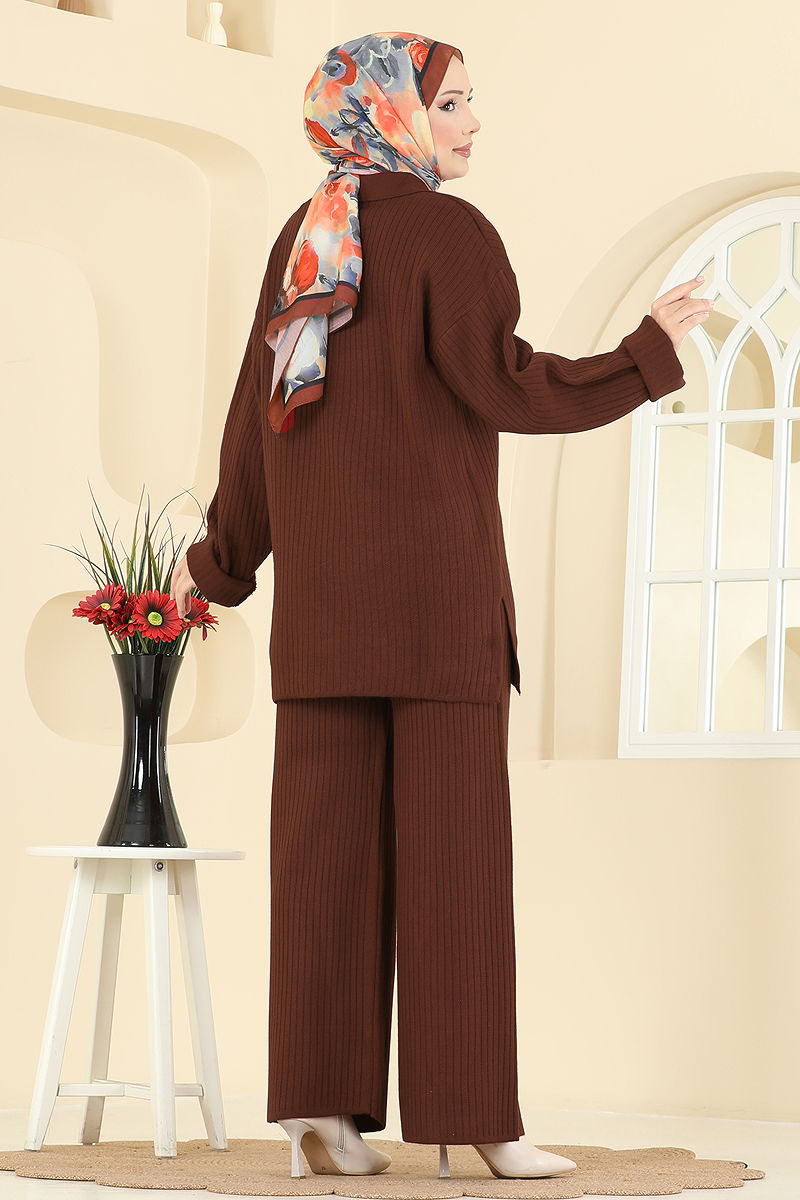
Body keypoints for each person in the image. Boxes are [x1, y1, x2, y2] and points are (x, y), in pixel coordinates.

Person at [170, 31, 711, 1182]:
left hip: (324, 620)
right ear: (394, 115)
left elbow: (258, 423)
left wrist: (217, 567)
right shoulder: (448, 234)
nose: (471, 122)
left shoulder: (306, 236)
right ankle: (477, 1122)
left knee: (320, 869)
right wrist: (645, 356)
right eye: (453, 102)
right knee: (454, 871)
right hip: (436, 613)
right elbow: (507, 385)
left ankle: (319, 1117)